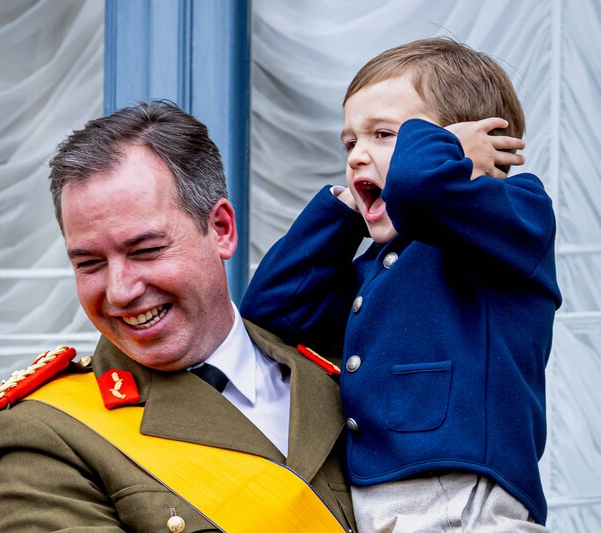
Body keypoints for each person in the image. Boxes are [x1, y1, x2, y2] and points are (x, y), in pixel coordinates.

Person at [0, 101, 356, 532]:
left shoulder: (336, 378)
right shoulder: (45, 433)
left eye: (145, 251)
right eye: (89, 264)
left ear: (220, 229)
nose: (121, 291)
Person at [241, 37, 562, 531]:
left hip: (460, 496)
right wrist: (344, 209)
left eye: (385, 134)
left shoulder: (515, 214)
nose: (356, 156)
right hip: (371, 497)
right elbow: (272, 307)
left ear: (474, 142)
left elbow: (419, 188)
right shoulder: (377, 267)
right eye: (349, 143)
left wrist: (449, 150)